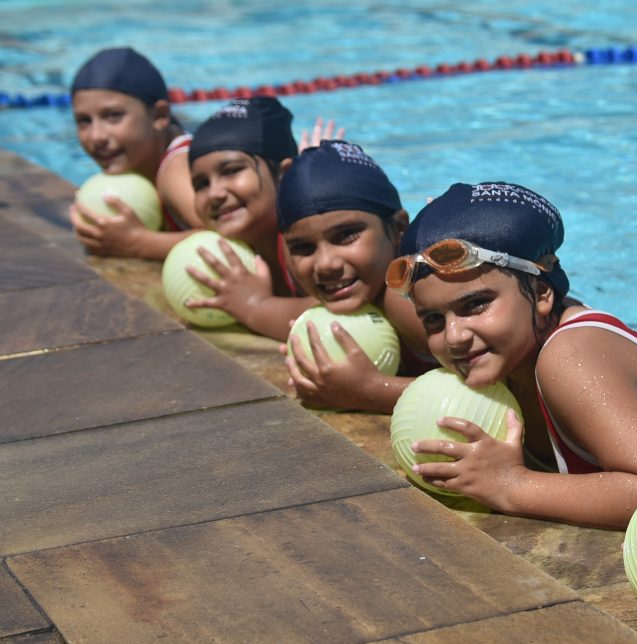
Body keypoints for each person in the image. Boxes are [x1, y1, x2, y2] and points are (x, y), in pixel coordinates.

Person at [385, 181, 637, 529]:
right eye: (434, 319)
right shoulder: (501, 355)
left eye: (476, 304)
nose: (454, 337)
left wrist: (512, 485)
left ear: (541, 293)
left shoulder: (570, 355)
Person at [277, 141, 435, 412]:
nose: (325, 264)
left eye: (346, 235)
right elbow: (288, 311)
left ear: (399, 229)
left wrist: (369, 390)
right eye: (303, 248)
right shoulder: (360, 290)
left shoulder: (408, 299)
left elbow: (502, 388)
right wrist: (246, 303)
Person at [184, 96, 320, 340]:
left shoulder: (303, 237)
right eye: (201, 184)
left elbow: (331, 317)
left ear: (284, 174)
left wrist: (252, 306)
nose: (215, 193)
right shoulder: (236, 245)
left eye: (232, 171)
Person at [69, 46, 203, 259]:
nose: (96, 136)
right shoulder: (138, 163)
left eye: (113, 116)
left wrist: (139, 244)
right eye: (84, 121)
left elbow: (231, 238)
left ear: (159, 116)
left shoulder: (176, 169)